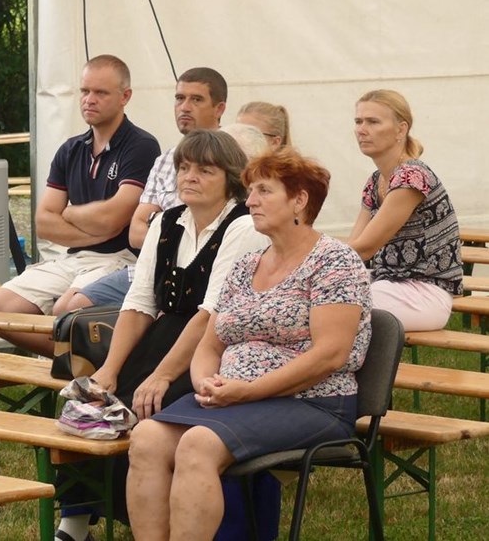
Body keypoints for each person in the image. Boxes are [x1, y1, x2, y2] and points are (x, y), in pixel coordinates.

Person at [127, 149, 372, 541]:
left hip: (312, 401)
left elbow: (330, 355)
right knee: (146, 438)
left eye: (264, 191)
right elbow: (210, 344)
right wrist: (205, 382)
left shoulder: (335, 262)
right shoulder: (247, 265)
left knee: (198, 444)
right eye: (250, 191)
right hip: (235, 398)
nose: (251, 201)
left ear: (299, 200)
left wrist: (249, 391)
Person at [54, 129, 270, 541]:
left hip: (214, 348)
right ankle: (76, 521)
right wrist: (109, 369)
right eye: (184, 168)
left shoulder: (243, 226)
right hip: (163, 335)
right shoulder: (166, 222)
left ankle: (169, 522)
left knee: (150, 410)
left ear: (230, 178)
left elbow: (211, 313)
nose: (190, 177)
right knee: (94, 404)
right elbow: (138, 303)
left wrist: (163, 375)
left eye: (204, 170)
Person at [0, 55, 160, 357]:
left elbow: (114, 218)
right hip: (74, 258)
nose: (89, 99)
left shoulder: (141, 145)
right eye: (84, 91)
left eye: (101, 92)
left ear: (125, 96)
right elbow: (44, 223)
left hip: (121, 260)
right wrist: (98, 228)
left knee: (66, 312)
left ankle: (78, 364)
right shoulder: (71, 149)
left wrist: (71, 213)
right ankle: (75, 362)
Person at [65, 67, 228, 311]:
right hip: (152, 266)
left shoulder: (231, 158)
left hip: (204, 272)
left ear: (219, 109)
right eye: (179, 98)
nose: (184, 107)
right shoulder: (165, 161)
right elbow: (135, 232)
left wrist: (158, 224)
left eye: (196, 99)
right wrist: (174, 234)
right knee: (72, 307)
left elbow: (218, 233)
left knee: (77, 307)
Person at [347, 89, 462, 331]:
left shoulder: (413, 177)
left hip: (425, 293)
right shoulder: (375, 181)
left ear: (401, 129)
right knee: (322, 296)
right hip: (386, 284)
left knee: (336, 304)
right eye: (358, 121)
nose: (361, 129)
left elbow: (365, 247)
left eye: (373, 122)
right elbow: (354, 247)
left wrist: (307, 261)